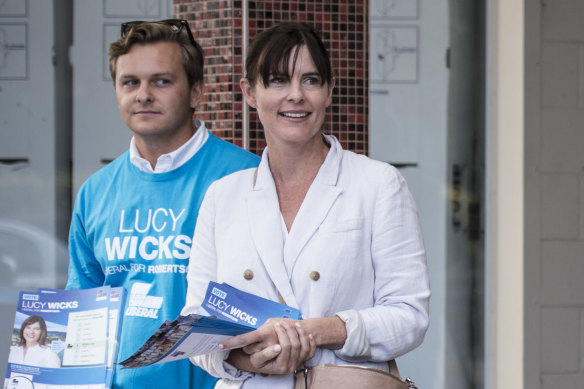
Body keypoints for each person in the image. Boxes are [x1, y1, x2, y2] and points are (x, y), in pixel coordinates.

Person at [181, 22, 431, 388]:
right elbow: (195, 323)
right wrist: (250, 358)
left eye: (311, 81)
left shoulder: (378, 185)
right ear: (250, 93)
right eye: (278, 81)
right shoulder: (223, 196)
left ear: (329, 91)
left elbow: (409, 317)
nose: (296, 95)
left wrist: (317, 332)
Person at [66, 19, 260, 389]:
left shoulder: (247, 177)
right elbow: (83, 316)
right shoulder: (95, 192)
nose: (143, 94)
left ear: (196, 92)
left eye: (161, 81)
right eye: (130, 82)